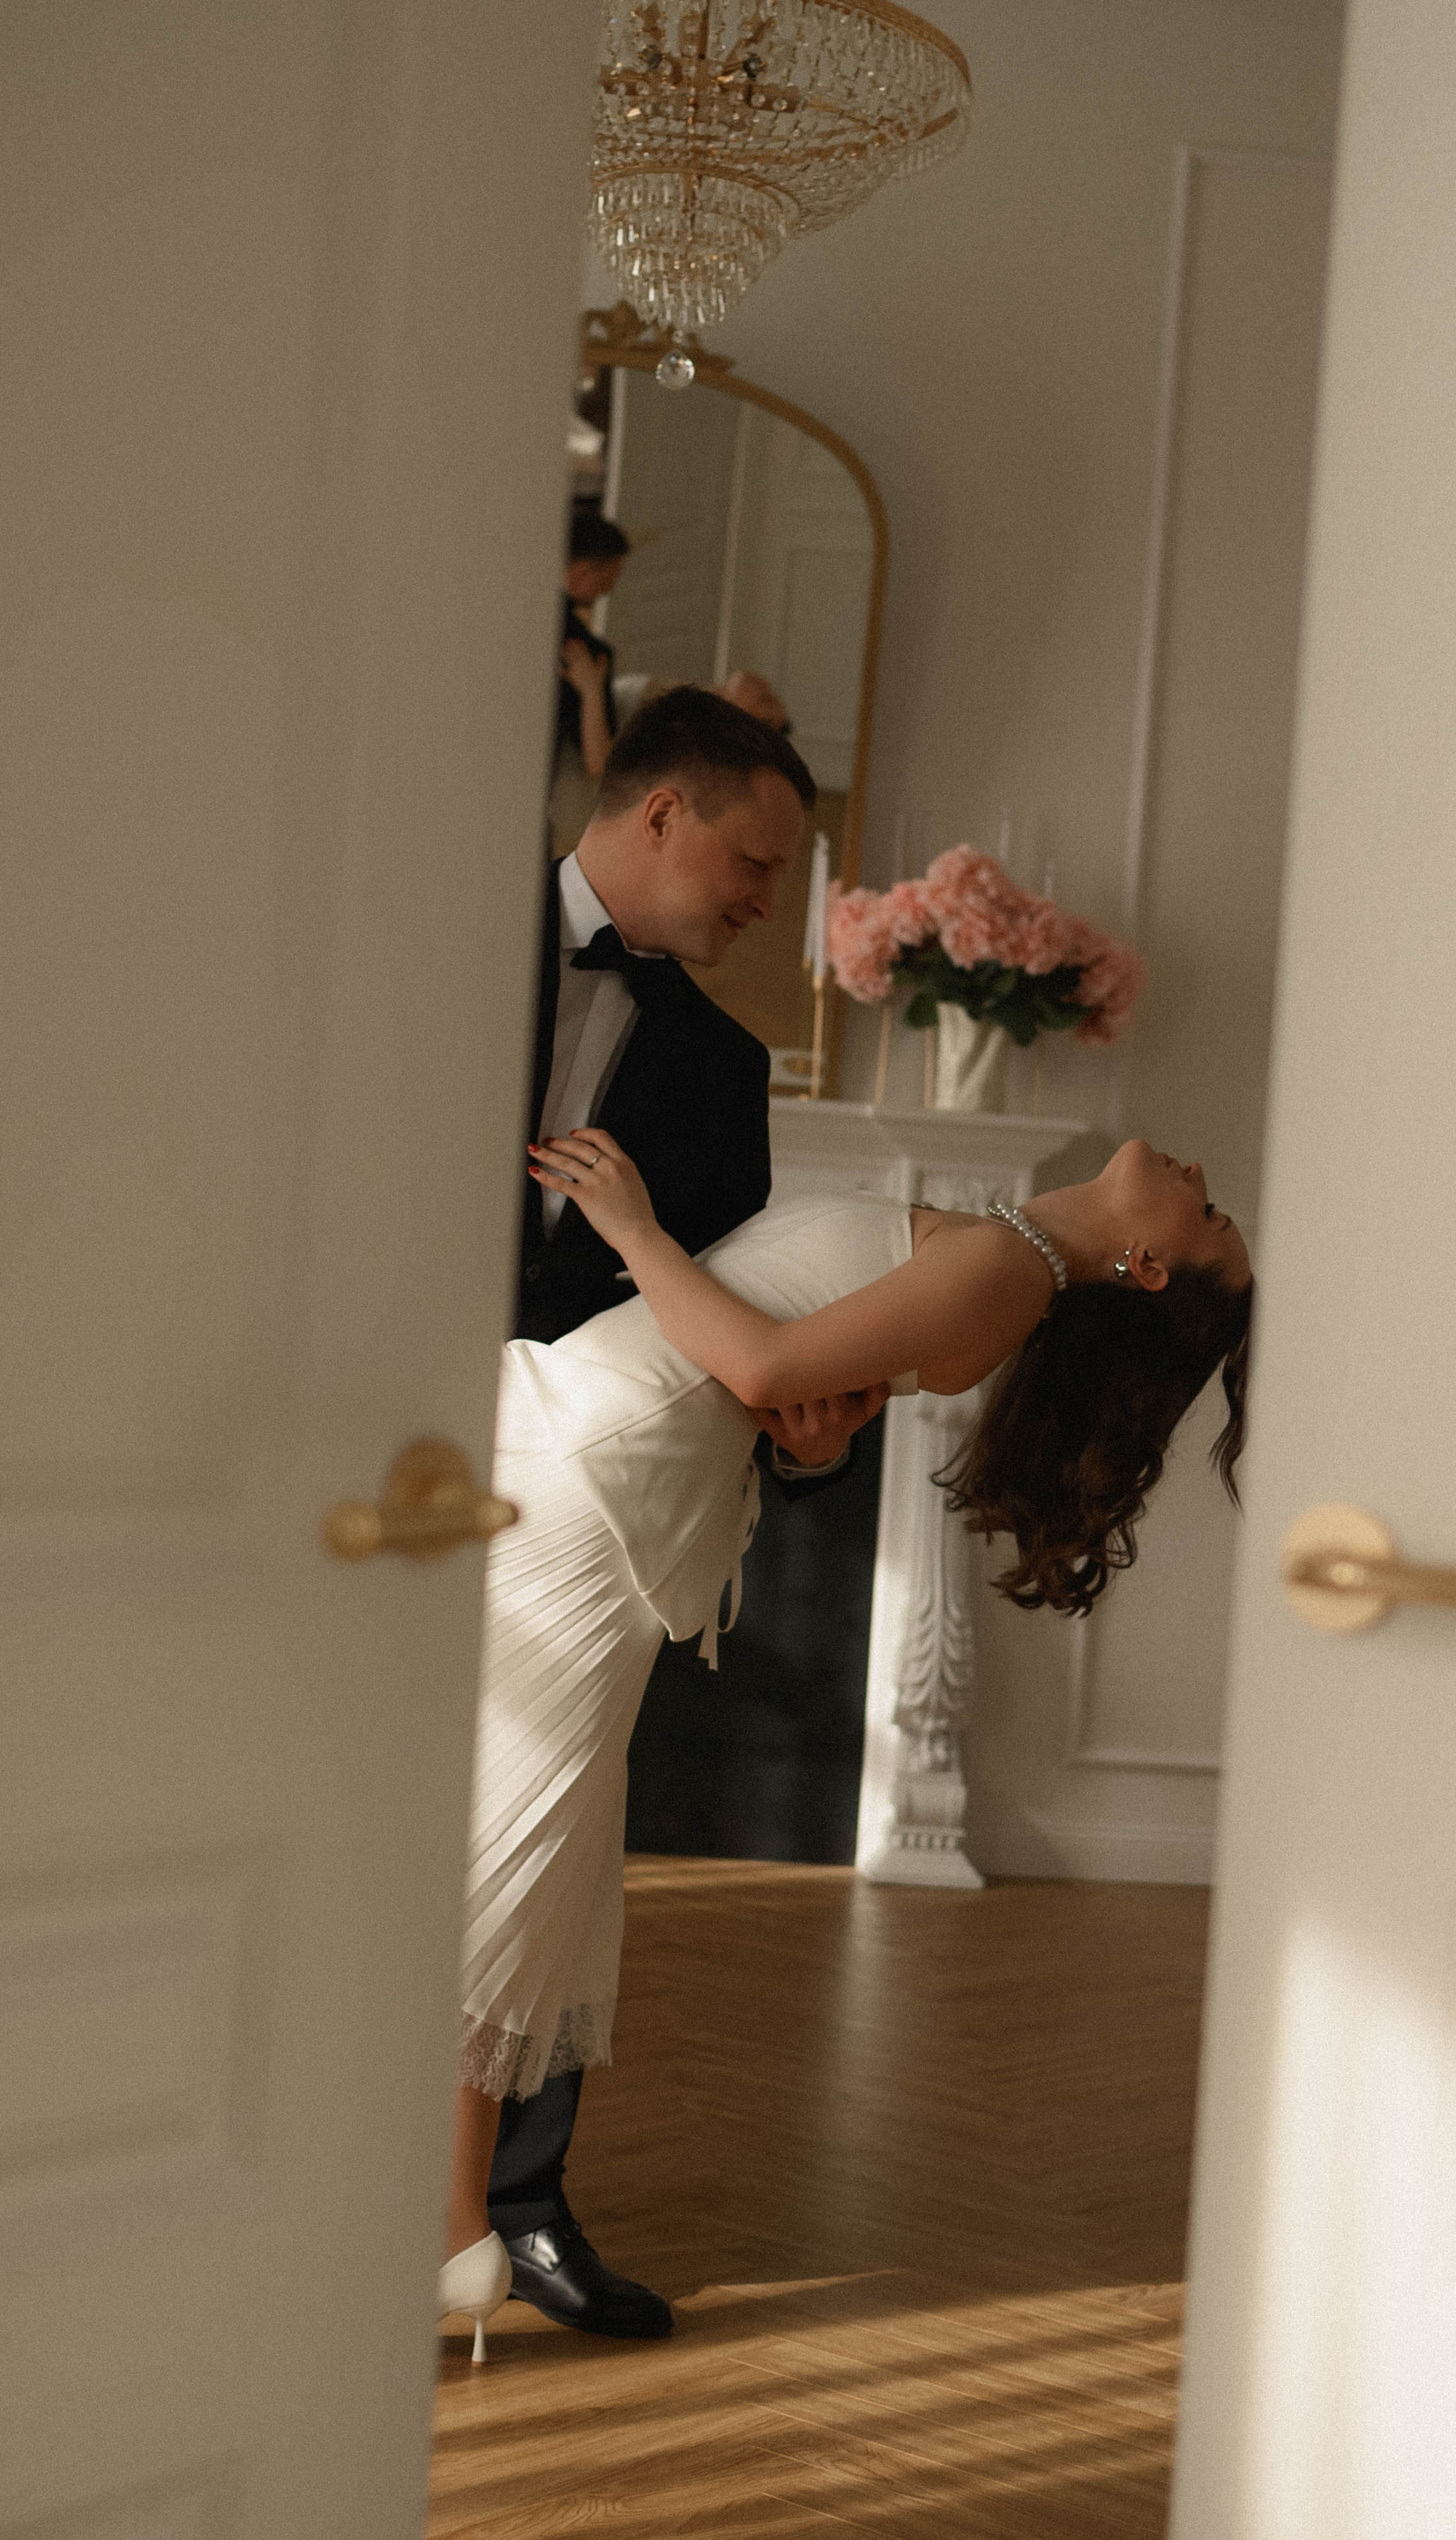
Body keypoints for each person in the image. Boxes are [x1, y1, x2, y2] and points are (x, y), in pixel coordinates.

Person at [437, 1132, 1252, 2353]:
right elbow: (787, 1387)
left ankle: (446, 2228)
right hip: (601, 1448)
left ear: (1144, 1266)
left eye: (1210, 1214)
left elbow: (761, 1362)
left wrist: (633, 1228)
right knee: (503, 1843)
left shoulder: (1009, 1268)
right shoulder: (1003, 1260)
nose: (1196, 1174)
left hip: (591, 1467)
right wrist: (805, 1436)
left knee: (494, 1852)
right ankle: (452, 2228)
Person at [482, 684, 878, 2346]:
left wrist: (808, 1446)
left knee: (562, 1834)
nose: (769, 903)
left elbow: (721, 1337)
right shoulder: (429, 938)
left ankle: (519, 2207)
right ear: (660, 812)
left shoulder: (722, 1069)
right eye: (757, 862)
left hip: (572, 1500)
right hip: (374, 1468)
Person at [551, 510, 630, 857]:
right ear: (585, 570)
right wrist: (593, 691)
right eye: (610, 577)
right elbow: (599, 762)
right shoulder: (587, 653)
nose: (610, 589)